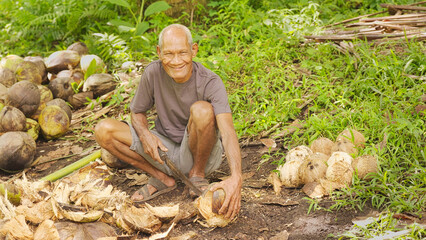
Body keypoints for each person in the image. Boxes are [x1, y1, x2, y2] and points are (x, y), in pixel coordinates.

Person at [94, 24, 242, 219]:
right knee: (104, 130)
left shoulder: (210, 82)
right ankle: (162, 177)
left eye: (182, 53)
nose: (176, 61)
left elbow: (228, 132)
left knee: (202, 109)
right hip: (163, 152)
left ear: (194, 50)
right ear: (158, 52)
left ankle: (197, 176)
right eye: (169, 54)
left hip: (200, 155)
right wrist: (146, 135)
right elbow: (137, 112)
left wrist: (236, 177)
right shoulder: (153, 73)